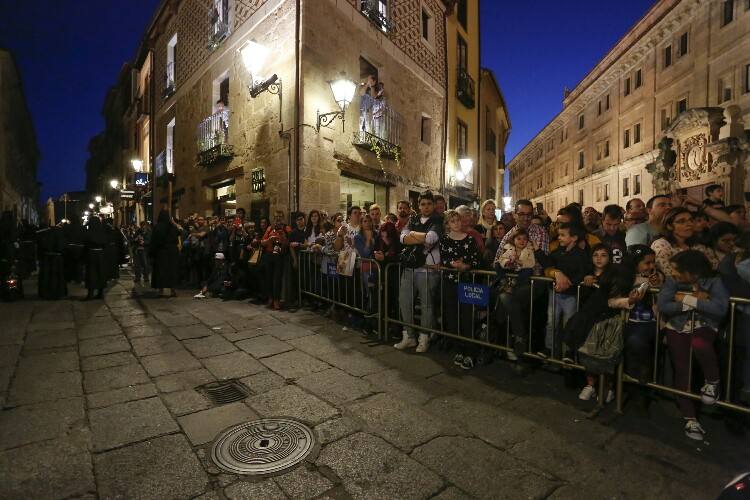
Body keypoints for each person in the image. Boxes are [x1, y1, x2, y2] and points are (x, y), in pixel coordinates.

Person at [657, 250, 729, 441]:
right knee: (682, 370)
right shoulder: (673, 282)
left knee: (700, 344)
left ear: (692, 272)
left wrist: (686, 298)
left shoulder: (714, 281)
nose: (672, 274)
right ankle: (690, 418)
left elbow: (720, 308)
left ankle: (713, 383)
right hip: (677, 327)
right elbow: (663, 304)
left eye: (676, 270)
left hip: (704, 325)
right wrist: (696, 302)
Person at [395, 190, 443, 353]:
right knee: (404, 301)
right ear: (418, 205)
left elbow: (431, 238)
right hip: (410, 267)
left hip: (427, 269)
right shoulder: (413, 219)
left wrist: (412, 235)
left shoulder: (438, 220)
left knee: (426, 305)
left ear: (433, 205)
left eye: (429, 204)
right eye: (423, 204)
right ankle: (408, 336)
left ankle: (424, 338)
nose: (426, 207)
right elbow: (402, 238)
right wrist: (417, 236)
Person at [622, 245, 664, 411]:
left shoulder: (658, 278)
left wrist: (658, 285)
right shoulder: (625, 278)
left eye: (653, 262)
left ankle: (648, 390)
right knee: (636, 356)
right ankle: (636, 393)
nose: (651, 266)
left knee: (653, 358)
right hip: (633, 325)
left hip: (654, 324)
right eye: (647, 263)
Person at [539, 223, 591, 358]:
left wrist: (569, 283)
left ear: (574, 238)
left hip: (571, 295)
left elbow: (583, 272)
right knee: (551, 323)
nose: (559, 238)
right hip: (555, 293)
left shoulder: (581, 255)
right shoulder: (557, 252)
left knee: (569, 324)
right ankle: (548, 348)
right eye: (559, 234)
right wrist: (538, 252)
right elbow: (549, 263)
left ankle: (568, 351)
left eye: (562, 235)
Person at [439, 210, 482, 369]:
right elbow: (444, 258)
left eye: (458, 220)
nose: (456, 223)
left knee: (467, 317)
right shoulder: (444, 240)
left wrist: (466, 265)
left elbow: (476, 260)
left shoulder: (470, 239)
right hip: (450, 282)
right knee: (452, 316)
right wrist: (452, 264)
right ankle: (458, 349)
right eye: (452, 221)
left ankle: (470, 352)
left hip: (467, 282)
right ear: (447, 224)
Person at [651, 207, 718, 277]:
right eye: (682, 221)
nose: (689, 224)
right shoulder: (661, 245)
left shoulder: (697, 245)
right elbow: (669, 274)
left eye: (691, 220)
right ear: (669, 226)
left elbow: (714, 268)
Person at [261, 210, 290, 310]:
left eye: (280, 216)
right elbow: (262, 242)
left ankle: (276, 300)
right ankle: (270, 299)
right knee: (268, 277)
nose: (278, 218)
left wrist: (282, 235)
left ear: (283, 218)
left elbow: (288, 244)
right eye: (276, 216)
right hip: (269, 255)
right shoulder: (269, 228)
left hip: (280, 256)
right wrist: (269, 239)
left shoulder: (287, 228)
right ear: (273, 218)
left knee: (277, 279)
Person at [150, 210, 181, 297]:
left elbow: (154, 241)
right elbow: (180, 232)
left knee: (161, 271)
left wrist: (152, 252)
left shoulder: (157, 227)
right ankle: (172, 290)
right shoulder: (173, 227)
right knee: (172, 271)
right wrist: (173, 223)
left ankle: (161, 290)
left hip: (161, 252)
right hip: (172, 252)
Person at [83, 216, 109, 300]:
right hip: (101, 254)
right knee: (100, 273)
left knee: (91, 273)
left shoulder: (89, 232)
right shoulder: (102, 232)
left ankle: (90, 294)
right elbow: (105, 244)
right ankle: (100, 293)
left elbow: (85, 243)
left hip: (91, 254)